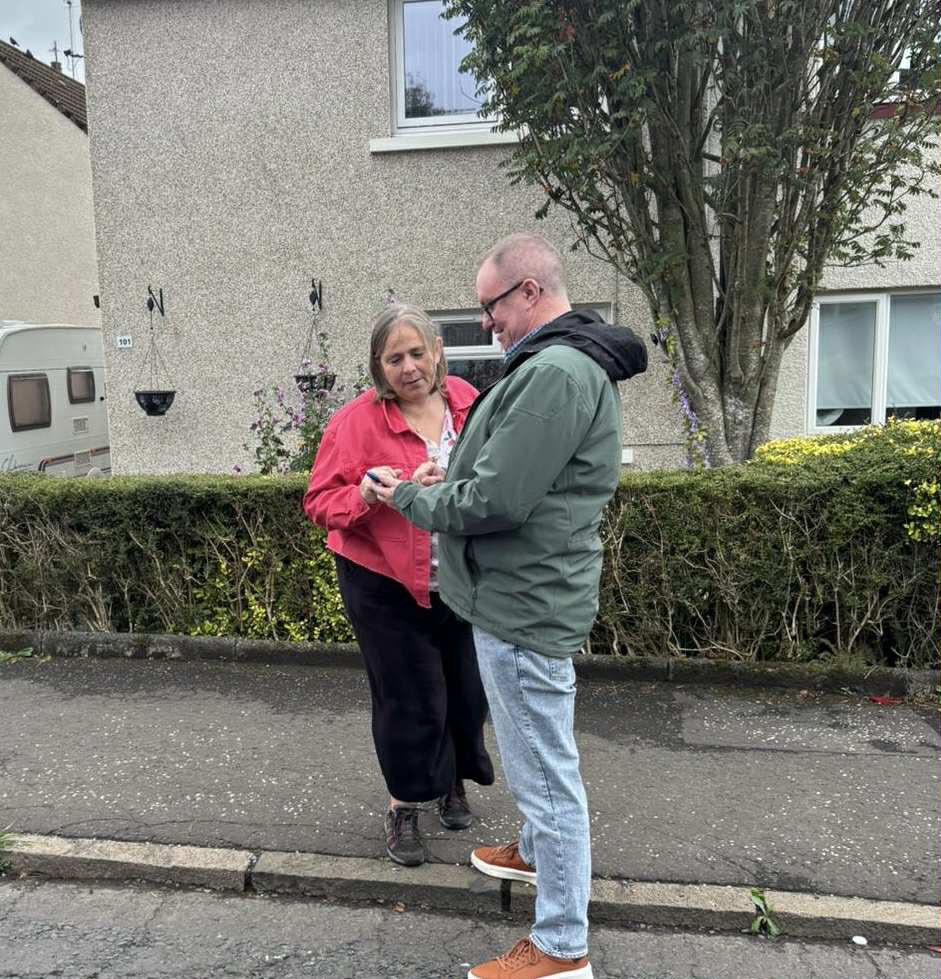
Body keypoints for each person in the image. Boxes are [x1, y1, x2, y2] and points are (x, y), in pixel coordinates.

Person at [372, 233, 647, 979]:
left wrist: (407, 492)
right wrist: (449, 469)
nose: (484, 323)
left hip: (522, 609)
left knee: (546, 776)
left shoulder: (556, 371)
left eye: (488, 306)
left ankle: (561, 948)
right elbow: (506, 472)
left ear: (527, 291)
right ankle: (530, 850)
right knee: (539, 763)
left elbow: (497, 499)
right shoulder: (555, 364)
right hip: (517, 598)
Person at [302, 304, 494, 868]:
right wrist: (365, 494)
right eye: (394, 359)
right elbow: (318, 502)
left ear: (437, 350)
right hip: (382, 581)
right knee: (410, 697)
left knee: (464, 691)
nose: (408, 367)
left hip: (459, 577)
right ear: (378, 367)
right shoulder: (354, 422)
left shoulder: (466, 400)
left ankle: (451, 780)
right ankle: (403, 804)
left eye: (417, 353)